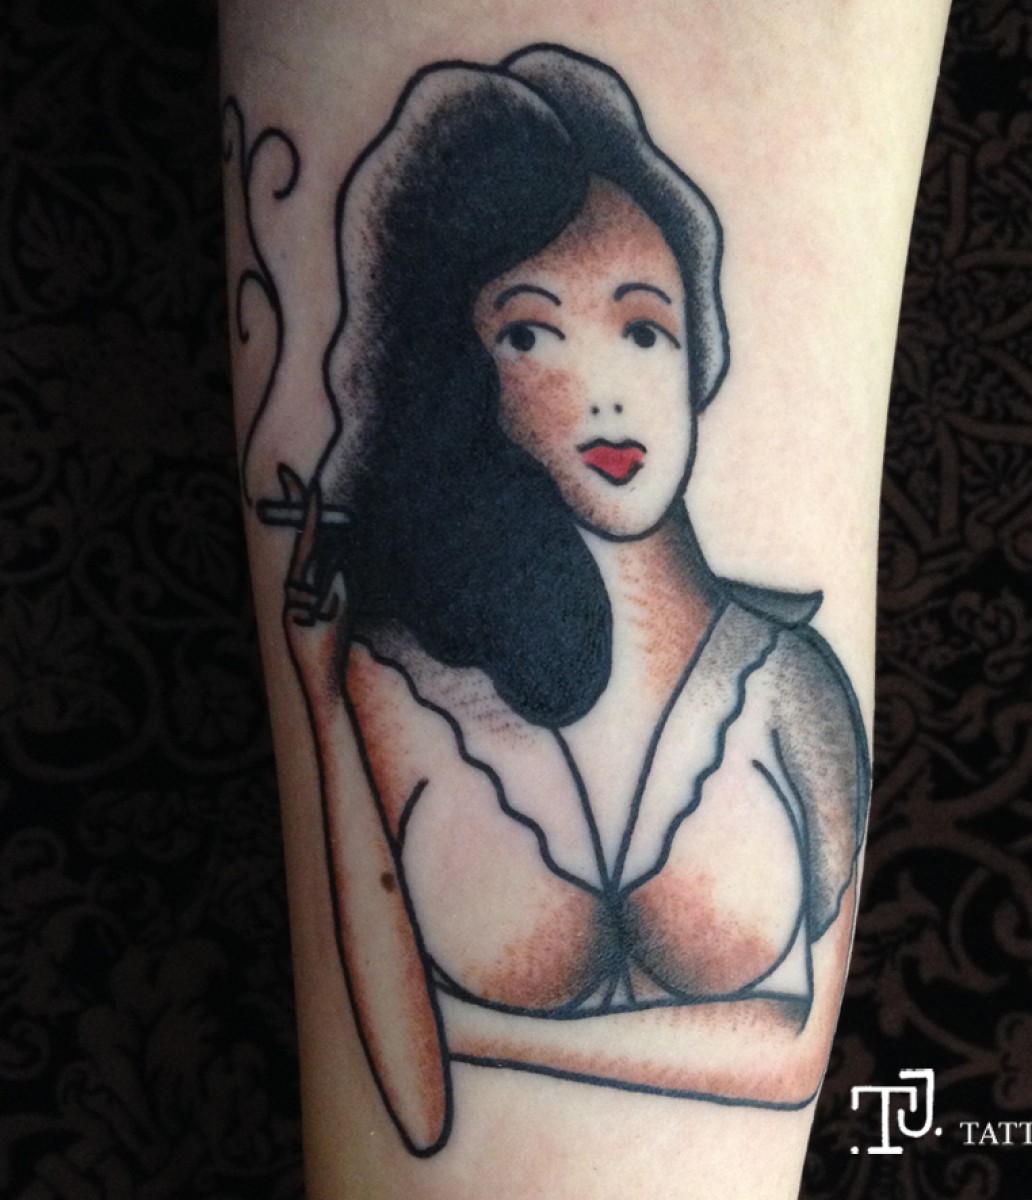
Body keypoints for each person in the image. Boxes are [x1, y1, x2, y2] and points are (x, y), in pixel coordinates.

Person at [221, 4, 952, 1196]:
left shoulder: (784, 685)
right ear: (462, 378)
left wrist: (485, 1037)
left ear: (700, 351)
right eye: (530, 334)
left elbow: (782, 1053)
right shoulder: (399, 684)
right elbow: (411, 1092)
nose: (606, 389)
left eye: (644, 330)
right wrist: (323, 702)